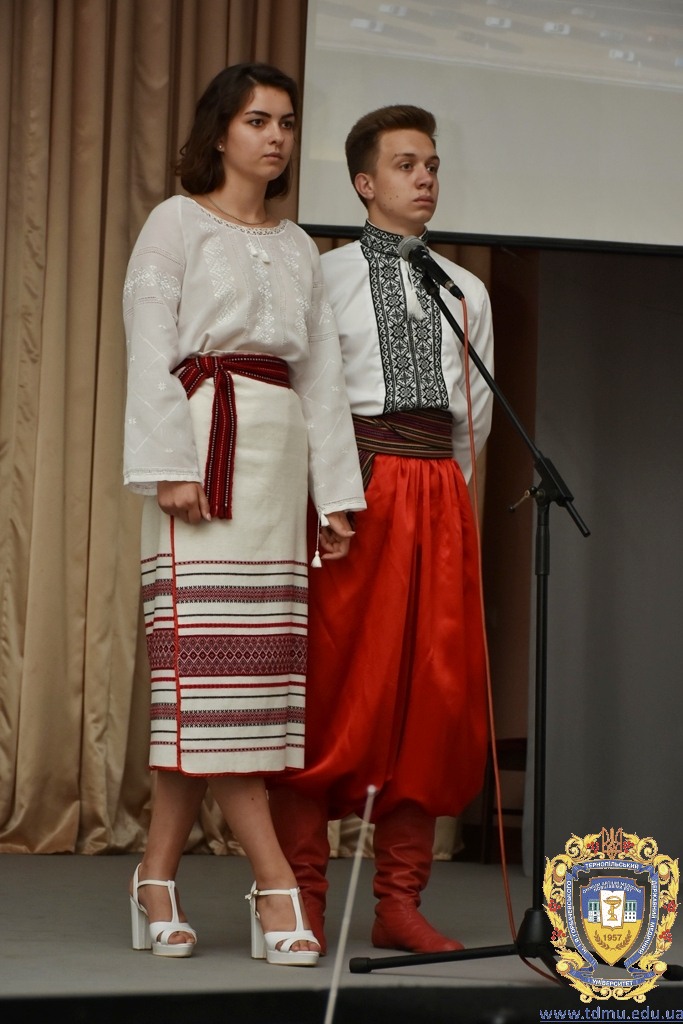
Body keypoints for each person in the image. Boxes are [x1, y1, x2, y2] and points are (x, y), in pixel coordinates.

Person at [122, 62, 366, 965]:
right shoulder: (175, 221)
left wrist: (333, 494)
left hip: (277, 461)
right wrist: (168, 464)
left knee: (237, 693)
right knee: (209, 684)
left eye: (287, 123)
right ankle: (274, 881)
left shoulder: (299, 244)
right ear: (219, 131)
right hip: (203, 449)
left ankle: (154, 877)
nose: (275, 137)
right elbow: (149, 343)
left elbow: (323, 377)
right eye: (258, 120)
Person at [268, 105, 494, 955]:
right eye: (406, 165)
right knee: (332, 690)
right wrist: (331, 494)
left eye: (431, 164)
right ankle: (302, 896)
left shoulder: (465, 289)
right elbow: (305, 394)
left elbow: (473, 416)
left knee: (430, 695)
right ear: (364, 183)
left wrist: (445, 504)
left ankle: (398, 903)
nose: (425, 178)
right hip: (351, 491)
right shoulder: (322, 276)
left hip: (436, 496)